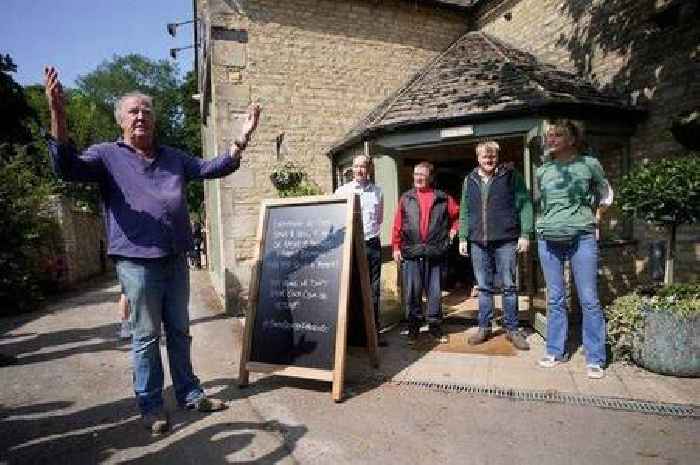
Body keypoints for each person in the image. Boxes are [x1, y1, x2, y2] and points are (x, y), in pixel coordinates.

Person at [43, 66, 261, 434]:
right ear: (120, 120)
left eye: (147, 110)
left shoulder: (172, 156)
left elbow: (213, 167)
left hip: (175, 258)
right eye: (133, 110)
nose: (141, 115)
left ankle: (190, 392)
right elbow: (67, 168)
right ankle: (150, 405)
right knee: (145, 337)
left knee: (180, 330)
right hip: (136, 260)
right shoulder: (106, 156)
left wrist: (241, 138)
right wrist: (58, 115)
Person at [535, 119, 613, 379]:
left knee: (589, 299)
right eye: (549, 135)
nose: (551, 139)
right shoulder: (543, 170)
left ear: (572, 139)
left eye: (557, 135)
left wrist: (596, 217)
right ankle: (556, 350)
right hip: (548, 237)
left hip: (581, 235)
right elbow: (545, 203)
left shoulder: (589, 164)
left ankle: (595, 357)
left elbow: (606, 193)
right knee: (555, 298)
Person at [459, 141, 533, 350]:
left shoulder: (511, 176)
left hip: (506, 240)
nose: (489, 160)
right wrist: (463, 237)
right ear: (478, 158)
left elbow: (525, 205)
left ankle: (512, 329)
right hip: (478, 242)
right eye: (485, 157)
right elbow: (465, 210)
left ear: (497, 157)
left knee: (509, 286)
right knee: (484, 287)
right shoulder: (469, 180)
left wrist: (525, 234)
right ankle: (484, 327)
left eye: (492, 157)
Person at [391, 161, 459, 345]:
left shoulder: (442, 198)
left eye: (422, 174)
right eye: (415, 174)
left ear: (430, 177)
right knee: (412, 294)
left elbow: (459, 216)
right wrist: (396, 247)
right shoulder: (406, 198)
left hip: (435, 252)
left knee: (435, 293)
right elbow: (397, 224)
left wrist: (454, 230)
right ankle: (413, 328)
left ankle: (435, 328)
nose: (418, 178)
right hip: (412, 252)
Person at [334, 155, 385, 346]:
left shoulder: (377, 191)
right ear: (351, 168)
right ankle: (354, 336)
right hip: (351, 246)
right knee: (353, 290)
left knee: (373, 291)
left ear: (369, 169)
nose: (359, 170)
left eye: (363, 166)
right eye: (356, 166)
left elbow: (379, 219)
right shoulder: (341, 191)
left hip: (371, 245)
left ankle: (373, 335)